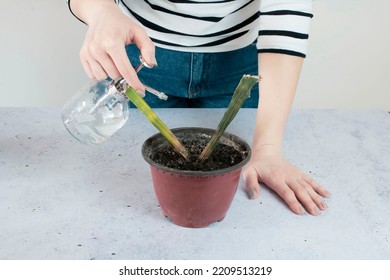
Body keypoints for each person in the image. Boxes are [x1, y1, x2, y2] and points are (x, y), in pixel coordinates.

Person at [67, 0, 330, 215]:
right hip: (138, 55)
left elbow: (287, 14)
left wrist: (269, 149)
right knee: (124, 177)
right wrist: (101, 10)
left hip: (238, 64)